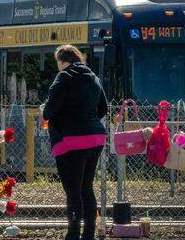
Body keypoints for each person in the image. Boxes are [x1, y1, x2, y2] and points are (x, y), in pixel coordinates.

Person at [42, 45, 108, 240]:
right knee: (86, 187)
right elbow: (102, 108)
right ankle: (89, 234)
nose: (58, 68)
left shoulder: (63, 77)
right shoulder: (93, 77)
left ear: (63, 60)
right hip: (95, 139)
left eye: (58, 63)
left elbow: (49, 110)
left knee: (72, 191)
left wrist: (44, 111)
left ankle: (72, 234)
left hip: (71, 141)